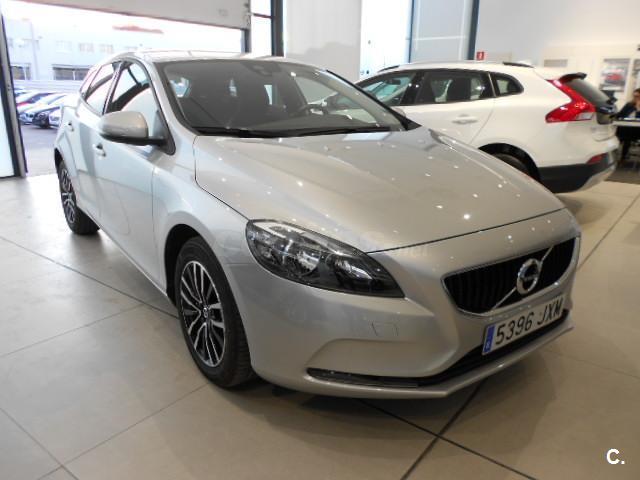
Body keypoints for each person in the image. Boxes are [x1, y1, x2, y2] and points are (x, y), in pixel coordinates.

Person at [616, 88, 640, 162]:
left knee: (627, 138)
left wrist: (638, 109)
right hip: (625, 126)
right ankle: (616, 155)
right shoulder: (629, 104)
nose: (635, 98)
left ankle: (623, 157)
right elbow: (620, 114)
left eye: (637, 96)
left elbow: (638, 119)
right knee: (620, 134)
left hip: (636, 130)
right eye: (634, 96)